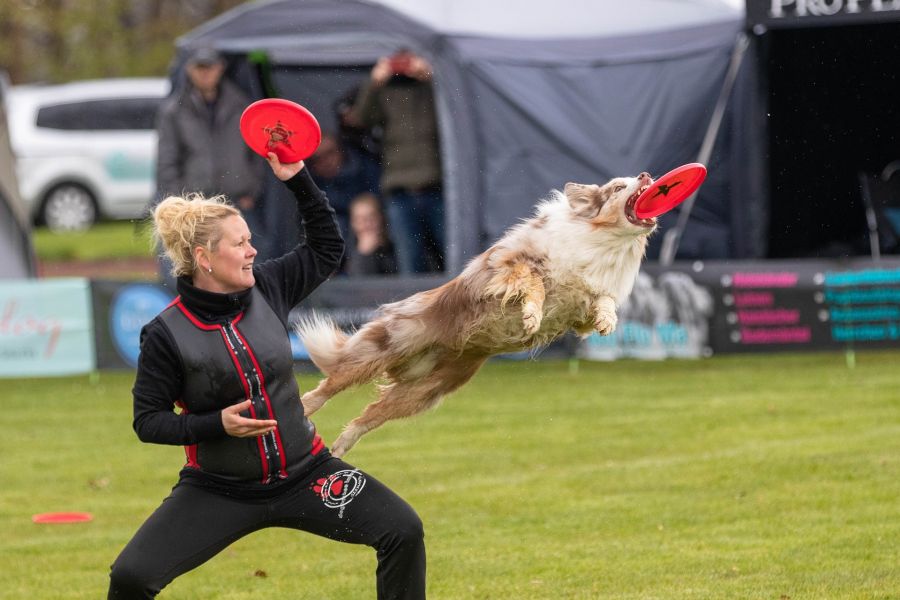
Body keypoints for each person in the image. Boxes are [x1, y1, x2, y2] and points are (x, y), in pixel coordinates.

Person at [107, 152, 425, 599]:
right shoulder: (164, 334)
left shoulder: (268, 286)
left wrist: (298, 179)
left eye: (249, 239)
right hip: (220, 490)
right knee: (130, 578)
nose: (252, 250)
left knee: (402, 530)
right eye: (239, 244)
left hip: (308, 474)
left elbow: (326, 247)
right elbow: (148, 421)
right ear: (204, 258)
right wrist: (215, 424)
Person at [154, 47, 268, 276]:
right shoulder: (174, 112)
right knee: (193, 268)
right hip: (197, 205)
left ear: (221, 68)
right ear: (189, 70)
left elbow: (258, 153)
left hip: (238, 200)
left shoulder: (241, 105)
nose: (205, 73)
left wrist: (252, 189)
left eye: (210, 67)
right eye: (200, 67)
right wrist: (179, 202)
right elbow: (167, 162)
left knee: (249, 264)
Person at [348, 49, 444, 274]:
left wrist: (433, 76)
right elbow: (360, 118)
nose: (403, 65)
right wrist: (375, 82)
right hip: (399, 190)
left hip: (435, 187)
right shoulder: (385, 91)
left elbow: (456, 111)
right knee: (410, 262)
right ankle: (415, 309)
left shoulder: (429, 89)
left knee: (452, 255)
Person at [306, 132, 381, 246]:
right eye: (318, 158)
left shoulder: (365, 170)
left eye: (329, 153)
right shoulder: (312, 187)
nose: (325, 161)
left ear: (341, 151)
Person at [346, 192, 398, 276]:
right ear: (352, 223)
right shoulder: (345, 253)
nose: (366, 224)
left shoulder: (397, 248)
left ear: (381, 218)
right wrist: (363, 254)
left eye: (371, 217)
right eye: (359, 219)